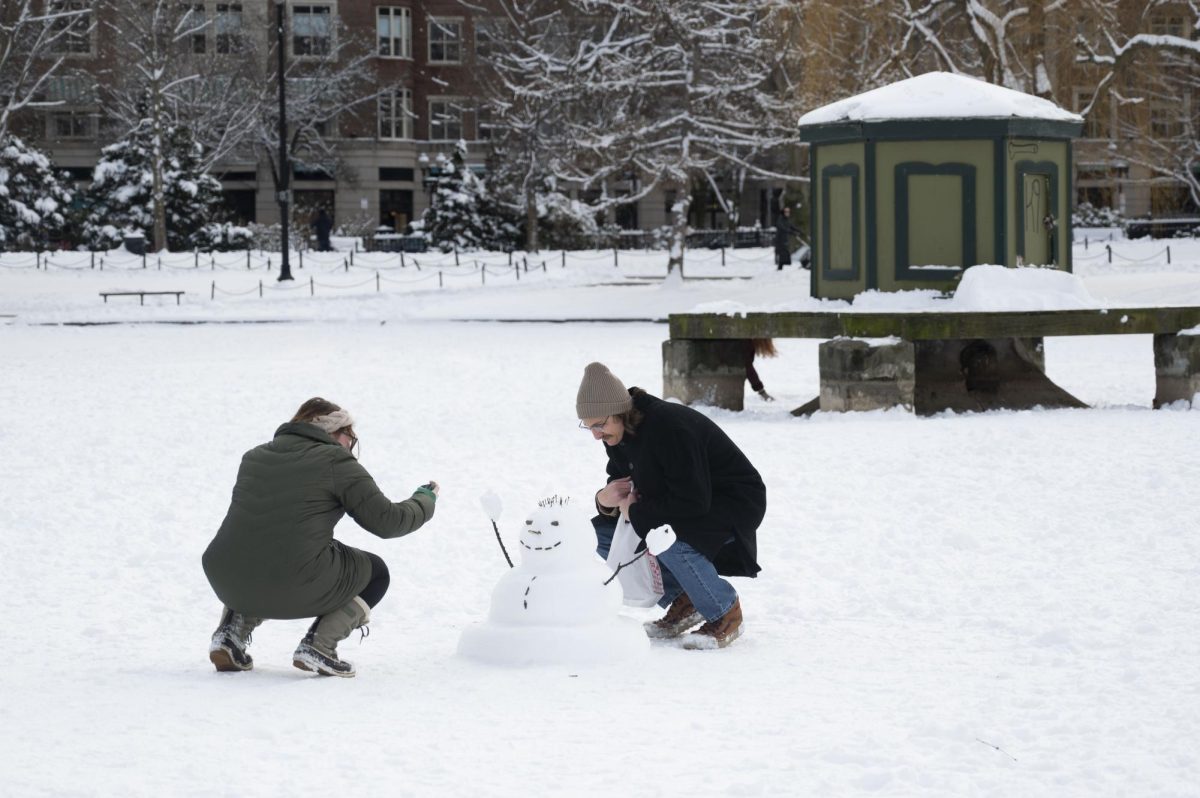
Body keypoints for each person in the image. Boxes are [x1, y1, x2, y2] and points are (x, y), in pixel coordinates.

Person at [201, 397, 439, 678]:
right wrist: (424, 500)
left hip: (226, 577)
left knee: (260, 549)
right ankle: (320, 647)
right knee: (376, 573)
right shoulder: (335, 460)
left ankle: (230, 635)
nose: (352, 445)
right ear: (337, 432)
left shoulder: (255, 456)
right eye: (351, 437)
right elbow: (388, 522)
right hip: (290, 577)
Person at [576, 362, 765, 649]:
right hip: (680, 502)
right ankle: (689, 598)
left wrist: (636, 512)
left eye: (599, 425)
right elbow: (620, 479)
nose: (596, 435)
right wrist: (604, 500)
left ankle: (724, 610)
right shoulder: (616, 433)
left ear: (619, 411)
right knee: (599, 533)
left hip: (731, 501)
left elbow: (692, 501)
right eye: (589, 427)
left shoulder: (669, 427)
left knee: (665, 536)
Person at [774, 205, 794, 270]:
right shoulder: (780, 219)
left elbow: (791, 226)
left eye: (788, 212)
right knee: (782, 253)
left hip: (784, 239)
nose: (788, 213)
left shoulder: (786, 220)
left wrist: (798, 231)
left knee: (785, 254)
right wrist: (790, 231)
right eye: (786, 212)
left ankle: (781, 267)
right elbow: (782, 227)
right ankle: (779, 267)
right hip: (780, 240)